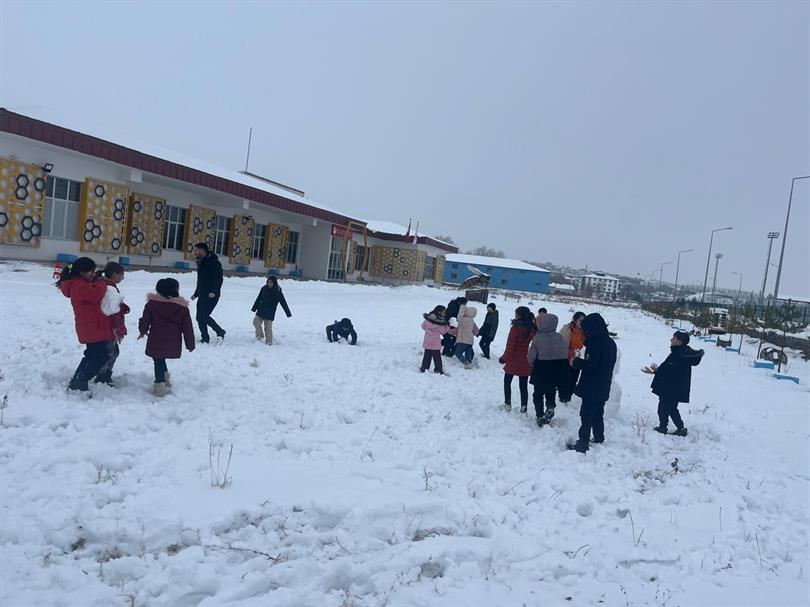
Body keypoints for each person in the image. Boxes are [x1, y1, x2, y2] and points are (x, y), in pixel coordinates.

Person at [57, 257, 112, 393]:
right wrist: (101, 282)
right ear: (81, 272)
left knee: (91, 355)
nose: (93, 274)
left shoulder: (79, 283)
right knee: (101, 356)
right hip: (91, 327)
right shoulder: (79, 285)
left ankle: (78, 379)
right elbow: (96, 295)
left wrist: (95, 280)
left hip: (90, 326)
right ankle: (81, 380)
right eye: (91, 272)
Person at [567, 313, 617, 453]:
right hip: (603, 384)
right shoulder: (610, 343)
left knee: (586, 414)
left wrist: (576, 362)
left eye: (586, 329)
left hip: (592, 386)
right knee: (598, 413)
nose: (584, 331)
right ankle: (599, 437)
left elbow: (591, 366)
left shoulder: (595, 344)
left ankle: (582, 443)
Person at [138, 278, 196, 397]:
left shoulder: (152, 304)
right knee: (160, 359)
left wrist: (142, 330)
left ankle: (160, 385)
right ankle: (165, 378)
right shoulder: (182, 308)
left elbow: (145, 320)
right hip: (172, 340)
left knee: (158, 360)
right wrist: (190, 344)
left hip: (156, 338)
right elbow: (187, 328)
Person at [643, 330, 704, 437]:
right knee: (671, 408)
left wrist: (655, 371)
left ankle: (663, 427)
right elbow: (670, 370)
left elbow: (669, 371)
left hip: (671, 388)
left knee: (663, 408)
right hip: (675, 388)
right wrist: (657, 370)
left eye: (674, 338)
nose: (671, 339)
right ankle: (681, 428)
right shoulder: (682, 352)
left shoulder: (679, 354)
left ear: (679, 342)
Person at [527, 313, 570, 427]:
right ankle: (550, 406)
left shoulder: (537, 338)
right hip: (557, 369)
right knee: (551, 391)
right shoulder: (560, 337)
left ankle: (540, 415)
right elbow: (565, 352)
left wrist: (533, 362)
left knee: (538, 394)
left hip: (541, 369)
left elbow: (531, 357)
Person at [95, 262, 130, 386]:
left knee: (113, 352)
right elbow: (111, 309)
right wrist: (117, 327)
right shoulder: (108, 287)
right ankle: (102, 376)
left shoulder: (109, 285)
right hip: (109, 326)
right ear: (114, 274)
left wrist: (122, 306)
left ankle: (105, 374)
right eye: (121, 275)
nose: (122, 278)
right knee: (110, 352)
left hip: (109, 325)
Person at [499, 306, 536, 412]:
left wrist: (504, 358)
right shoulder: (532, 328)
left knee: (507, 382)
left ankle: (507, 404)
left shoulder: (515, 328)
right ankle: (524, 407)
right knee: (523, 386)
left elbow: (510, 346)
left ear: (519, 315)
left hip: (513, 360)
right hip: (525, 360)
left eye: (516, 314)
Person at [191, 242, 226, 344]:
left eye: (196, 250)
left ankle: (220, 331)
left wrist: (214, 292)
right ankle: (205, 338)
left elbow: (218, 279)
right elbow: (201, 280)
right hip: (202, 294)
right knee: (199, 317)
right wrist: (196, 293)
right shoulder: (201, 262)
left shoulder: (214, 262)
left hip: (212, 295)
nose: (195, 252)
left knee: (204, 316)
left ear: (202, 250)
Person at [250, 275, 292, 345]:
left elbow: (283, 303)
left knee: (268, 328)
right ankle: (259, 336)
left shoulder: (278, 292)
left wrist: (288, 313)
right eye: (268, 282)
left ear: (274, 283)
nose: (269, 284)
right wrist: (254, 308)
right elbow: (259, 298)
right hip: (261, 309)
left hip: (270, 312)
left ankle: (269, 342)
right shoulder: (264, 288)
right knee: (256, 322)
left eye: (271, 282)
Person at [558, 311, 586, 403]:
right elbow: (560, 342)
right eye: (580, 320)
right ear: (575, 320)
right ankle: (562, 397)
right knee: (565, 379)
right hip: (566, 358)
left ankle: (568, 397)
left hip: (578, 359)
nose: (582, 323)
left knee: (574, 379)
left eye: (584, 321)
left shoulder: (585, 332)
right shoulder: (566, 329)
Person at [420, 305, 448, 374]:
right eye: (444, 312)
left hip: (427, 341)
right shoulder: (440, 323)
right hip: (435, 343)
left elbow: (423, 326)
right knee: (437, 358)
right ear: (439, 312)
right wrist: (447, 326)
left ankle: (424, 368)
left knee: (427, 356)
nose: (445, 313)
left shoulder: (427, 319)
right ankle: (438, 369)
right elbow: (443, 331)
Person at [451, 304, 479, 369]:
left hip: (463, 340)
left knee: (457, 353)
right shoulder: (472, 321)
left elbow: (458, 320)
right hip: (470, 341)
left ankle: (466, 364)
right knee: (468, 355)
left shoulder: (462, 319)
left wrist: (462, 307)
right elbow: (476, 331)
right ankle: (469, 363)